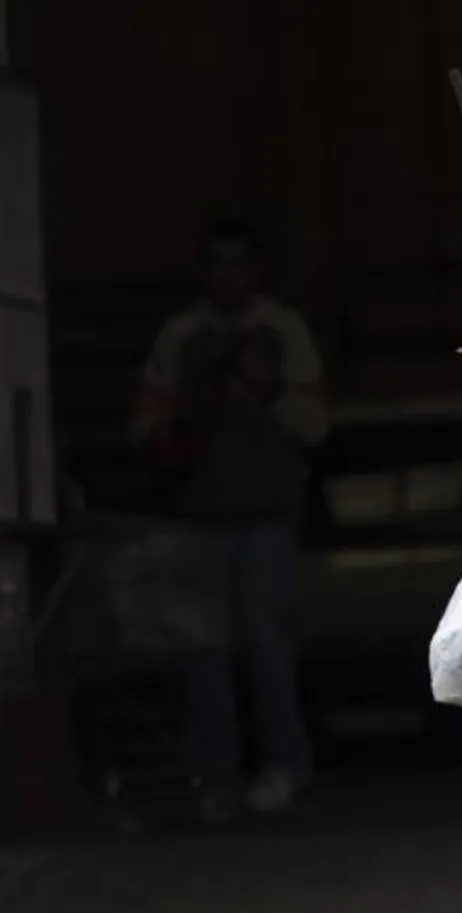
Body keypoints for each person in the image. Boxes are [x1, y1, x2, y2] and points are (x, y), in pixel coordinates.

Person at [132, 220, 329, 821]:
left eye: (238, 263)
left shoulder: (281, 330)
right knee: (203, 655)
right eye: (217, 264)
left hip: (265, 515)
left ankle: (284, 768)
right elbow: (148, 425)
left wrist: (262, 389)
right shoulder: (182, 336)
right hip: (200, 518)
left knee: (267, 648)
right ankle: (214, 778)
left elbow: (314, 423)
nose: (228, 277)